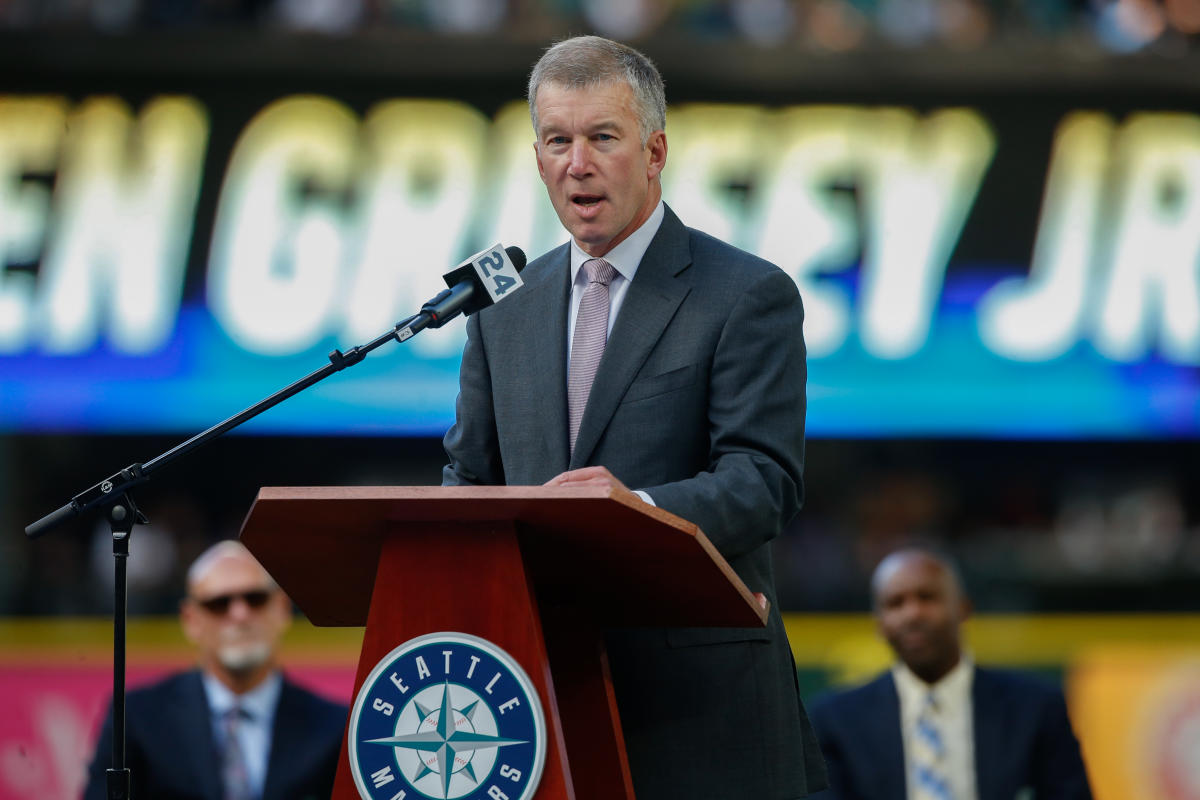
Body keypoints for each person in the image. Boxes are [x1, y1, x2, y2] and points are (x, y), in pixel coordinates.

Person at [442, 34, 825, 799]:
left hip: (701, 717)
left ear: (654, 152)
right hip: (539, 696)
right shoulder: (501, 311)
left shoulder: (745, 294)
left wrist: (633, 511)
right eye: (557, 140)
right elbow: (470, 476)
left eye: (601, 138)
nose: (576, 163)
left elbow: (762, 481)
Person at [808, 548, 1093, 800]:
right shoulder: (835, 722)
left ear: (963, 608)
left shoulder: (1036, 709)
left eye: (927, 597)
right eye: (896, 603)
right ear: (880, 623)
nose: (913, 614)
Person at [83, 540, 347, 800]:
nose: (240, 614)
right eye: (219, 603)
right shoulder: (139, 719)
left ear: (282, 608)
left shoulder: (333, 727)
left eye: (255, 599)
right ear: (190, 620)